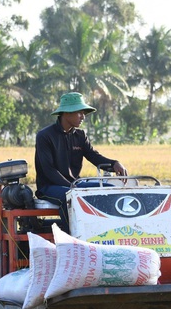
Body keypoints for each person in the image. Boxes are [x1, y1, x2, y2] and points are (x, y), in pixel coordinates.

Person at [35, 92, 127, 230]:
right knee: (69, 197)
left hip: (75, 184)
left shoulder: (80, 135)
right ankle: (73, 236)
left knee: (110, 191)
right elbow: (49, 170)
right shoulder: (45, 136)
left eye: (84, 113)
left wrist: (114, 164)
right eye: (80, 113)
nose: (83, 117)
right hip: (49, 187)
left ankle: (107, 232)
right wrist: (73, 187)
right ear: (66, 113)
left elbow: (93, 156)